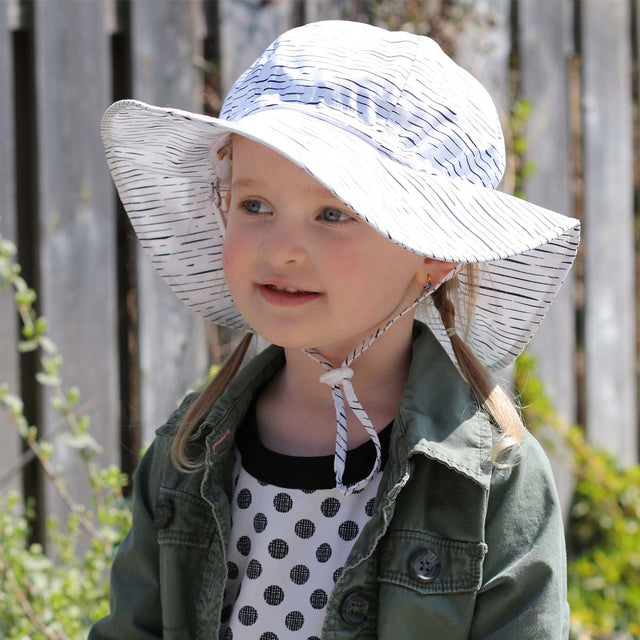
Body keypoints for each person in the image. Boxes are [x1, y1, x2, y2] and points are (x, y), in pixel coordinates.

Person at [91, 20, 580, 640]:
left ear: (434, 251)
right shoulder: (187, 451)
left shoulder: (492, 478)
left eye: (332, 214)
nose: (282, 247)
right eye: (255, 205)